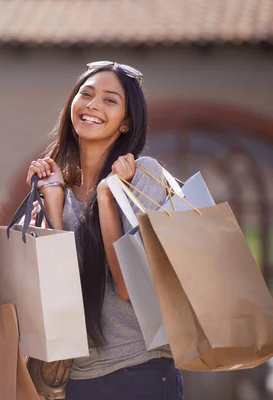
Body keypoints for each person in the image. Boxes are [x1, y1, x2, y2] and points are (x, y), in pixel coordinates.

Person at [26, 61, 184, 399]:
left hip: (139, 371)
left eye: (109, 100)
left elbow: (129, 286)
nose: (93, 105)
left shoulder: (144, 177)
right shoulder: (61, 188)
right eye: (86, 94)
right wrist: (53, 206)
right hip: (79, 377)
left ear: (126, 122)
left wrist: (107, 197)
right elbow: (61, 288)